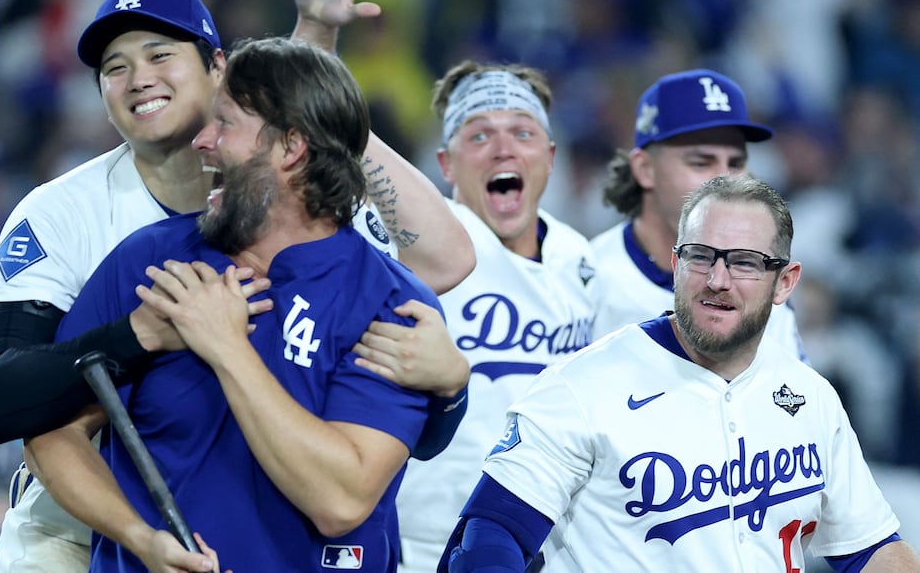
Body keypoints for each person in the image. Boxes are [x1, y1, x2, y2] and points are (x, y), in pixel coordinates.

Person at [0, 0, 473, 573]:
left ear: (218, 68)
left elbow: (440, 259)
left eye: (158, 54)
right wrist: (140, 334)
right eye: (114, 67)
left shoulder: (324, 228)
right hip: (76, 521)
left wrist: (314, 60)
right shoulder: (77, 217)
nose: (137, 78)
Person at [27, 36, 444, 572]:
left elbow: (341, 501)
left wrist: (225, 345)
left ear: (291, 148)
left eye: (225, 123)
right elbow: (52, 429)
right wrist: (138, 536)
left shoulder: (389, 302)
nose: (201, 140)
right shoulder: (151, 262)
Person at [441, 174, 920, 572]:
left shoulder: (809, 395)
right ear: (675, 264)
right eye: (700, 256)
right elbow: (487, 535)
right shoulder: (580, 388)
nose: (717, 279)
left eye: (745, 263)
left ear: (785, 283)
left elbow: (869, 547)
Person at [355, 61, 597, 572]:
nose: (504, 149)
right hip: (421, 546)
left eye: (523, 132)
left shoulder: (579, 258)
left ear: (550, 157)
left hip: (547, 545)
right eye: (480, 134)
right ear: (445, 163)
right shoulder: (416, 245)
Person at [589, 69, 805, 363]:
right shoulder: (587, 279)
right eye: (701, 162)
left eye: (736, 162)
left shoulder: (757, 278)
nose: (723, 180)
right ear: (645, 169)